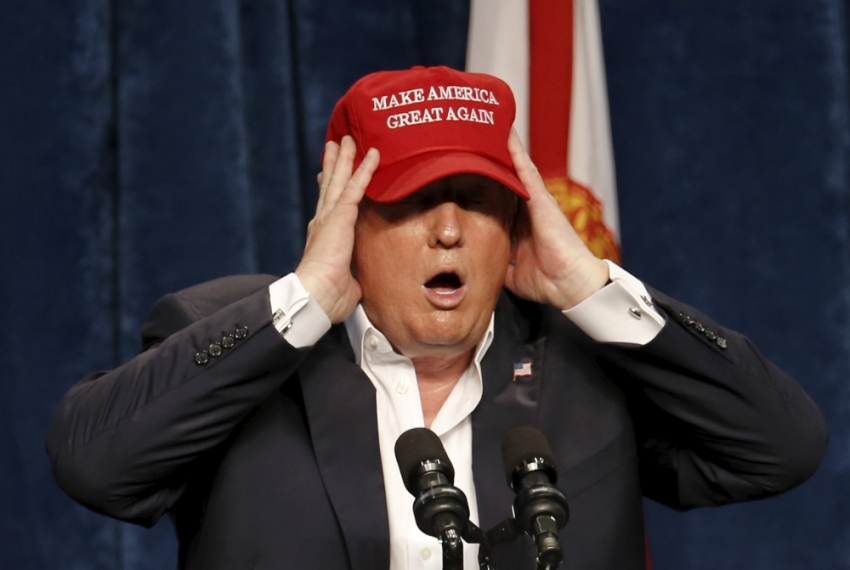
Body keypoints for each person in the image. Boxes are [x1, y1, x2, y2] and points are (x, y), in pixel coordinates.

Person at [47, 66, 828, 570]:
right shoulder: (238, 337)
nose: (450, 229)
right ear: (346, 214)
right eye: (414, 200)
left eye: (480, 201)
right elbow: (94, 467)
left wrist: (592, 287)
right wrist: (300, 305)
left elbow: (781, 448)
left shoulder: (583, 359)